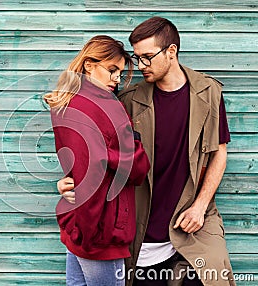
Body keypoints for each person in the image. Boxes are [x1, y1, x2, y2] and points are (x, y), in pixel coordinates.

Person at [57, 17, 235, 285]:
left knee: (214, 277)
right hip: (138, 229)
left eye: (148, 57)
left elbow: (218, 153)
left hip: (190, 225)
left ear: (171, 51)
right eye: (138, 58)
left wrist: (200, 207)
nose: (140, 66)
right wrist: (71, 180)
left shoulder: (208, 92)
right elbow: (94, 151)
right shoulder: (126, 100)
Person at [45, 35, 150, 286]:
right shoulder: (105, 108)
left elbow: (77, 166)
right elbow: (138, 168)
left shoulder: (66, 103)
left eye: (120, 72)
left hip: (78, 225)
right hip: (100, 231)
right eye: (112, 70)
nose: (116, 78)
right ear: (89, 65)